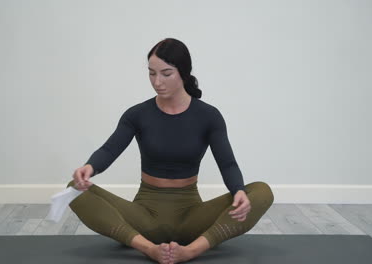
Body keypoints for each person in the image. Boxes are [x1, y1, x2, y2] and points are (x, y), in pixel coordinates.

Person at [66, 38, 274, 264]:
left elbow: (228, 164)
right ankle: (147, 248)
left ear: (183, 73)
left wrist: (238, 190)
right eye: (151, 73)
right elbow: (109, 149)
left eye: (166, 74)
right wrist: (90, 167)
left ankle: (192, 250)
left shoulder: (209, 116)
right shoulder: (137, 114)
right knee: (73, 190)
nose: (157, 82)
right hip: (143, 218)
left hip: (191, 219)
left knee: (261, 191)